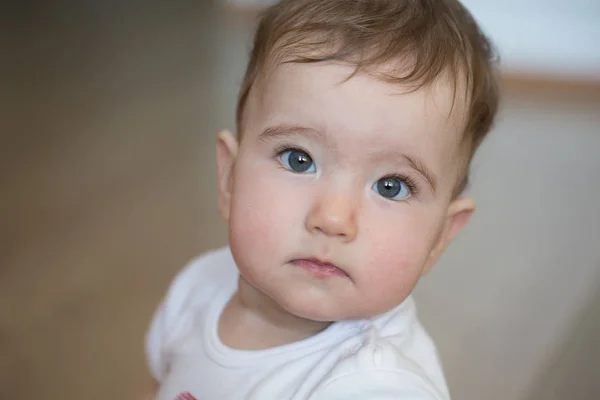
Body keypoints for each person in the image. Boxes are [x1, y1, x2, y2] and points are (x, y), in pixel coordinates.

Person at [144, 0, 499, 398]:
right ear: (229, 177)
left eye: (391, 186)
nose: (332, 218)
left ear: (439, 238)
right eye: (299, 160)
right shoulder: (198, 287)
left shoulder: (373, 387)